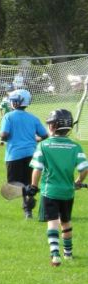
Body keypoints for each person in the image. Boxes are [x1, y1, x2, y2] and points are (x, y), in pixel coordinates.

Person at [27, 109, 88, 266]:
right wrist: (78, 181)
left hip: (50, 191)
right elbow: (84, 168)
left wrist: (33, 187)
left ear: (52, 126)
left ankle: (55, 255)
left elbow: (37, 169)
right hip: (68, 192)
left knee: (53, 222)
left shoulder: (44, 145)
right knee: (66, 222)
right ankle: (68, 254)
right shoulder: (75, 147)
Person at [0, 89, 48, 219]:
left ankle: (29, 196)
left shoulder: (8, 116)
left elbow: (4, 135)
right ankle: (28, 210)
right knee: (28, 182)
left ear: (16, 102)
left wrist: (3, 138)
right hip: (32, 155)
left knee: (13, 184)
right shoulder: (33, 118)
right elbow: (44, 135)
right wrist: (36, 139)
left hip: (14, 155)